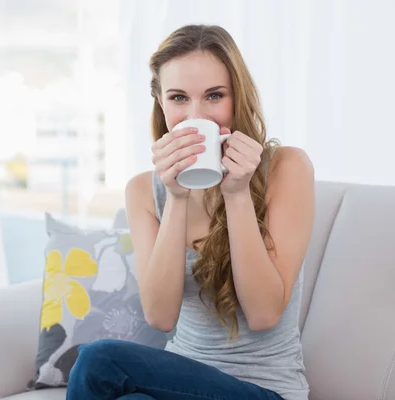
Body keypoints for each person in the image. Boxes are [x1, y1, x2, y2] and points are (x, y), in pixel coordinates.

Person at [67, 24, 315, 400]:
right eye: (179, 98)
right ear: (161, 103)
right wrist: (177, 198)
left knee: (98, 360)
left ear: (237, 97)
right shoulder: (143, 191)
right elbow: (160, 318)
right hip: (177, 384)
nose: (196, 115)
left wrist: (236, 193)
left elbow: (264, 314)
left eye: (214, 96)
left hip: (264, 391)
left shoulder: (286, 168)